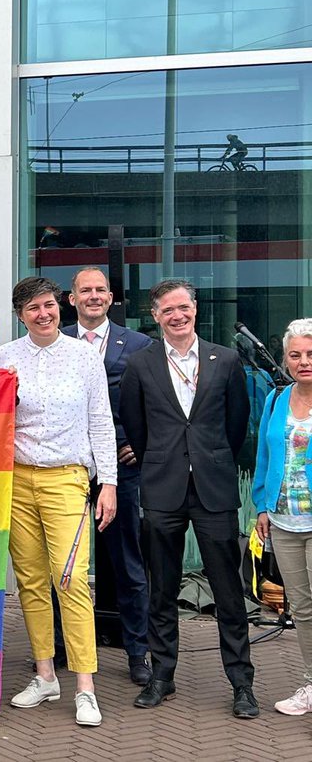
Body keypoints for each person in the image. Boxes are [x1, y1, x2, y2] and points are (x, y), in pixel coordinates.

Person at [120, 278, 256, 718]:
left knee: (229, 592)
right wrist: (162, 459)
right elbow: (135, 426)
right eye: (167, 310)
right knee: (161, 588)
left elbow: (237, 425)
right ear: (156, 316)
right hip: (162, 487)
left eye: (183, 307)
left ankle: (241, 683)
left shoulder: (227, 360)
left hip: (214, 489)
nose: (177, 316)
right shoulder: (141, 364)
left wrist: (210, 458)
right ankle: (162, 676)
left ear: (194, 309)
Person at [0, 276, 117, 728]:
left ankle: (85, 685)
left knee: (72, 580)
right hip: (18, 481)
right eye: (32, 309)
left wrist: (109, 484)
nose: (43, 314)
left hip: (68, 479)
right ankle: (45, 674)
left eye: (48, 305)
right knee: (29, 580)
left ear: (59, 305)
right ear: (20, 315)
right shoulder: (5, 356)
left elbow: (101, 421)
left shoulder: (85, 356)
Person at [62, 267, 153, 686]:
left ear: (111, 297)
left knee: (128, 565)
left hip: (122, 471)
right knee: (62, 564)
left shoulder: (138, 345)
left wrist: (143, 441)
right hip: (67, 470)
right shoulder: (55, 341)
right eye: (86, 290)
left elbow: (157, 402)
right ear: (72, 298)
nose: (93, 296)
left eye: (100, 290)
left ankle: (138, 652)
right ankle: (64, 648)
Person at [253, 318, 312, 716]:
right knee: (302, 608)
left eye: (311, 354)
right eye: (296, 355)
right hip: (285, 522)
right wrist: (261, 505)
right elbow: (263, 456)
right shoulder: (277, 399)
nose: (303, 361)